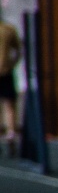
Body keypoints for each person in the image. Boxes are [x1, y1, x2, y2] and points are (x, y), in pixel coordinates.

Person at [0, 12, 21, 150]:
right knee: (10, 104)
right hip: (6, 70)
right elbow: (18, 51)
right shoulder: (9, 29)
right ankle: (11, 133)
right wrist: (12, 64)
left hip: (5, 70)